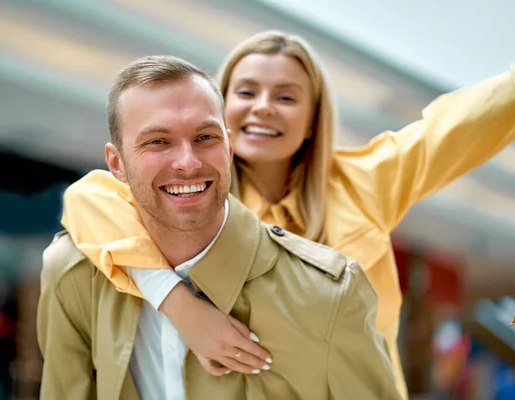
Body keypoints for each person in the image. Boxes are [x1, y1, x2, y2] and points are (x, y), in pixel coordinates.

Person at [59, 31, 515, 398]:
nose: (262, 106)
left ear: (313, 117)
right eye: (246, 91)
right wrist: (180, 306)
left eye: (286, 96)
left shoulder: (366, 182)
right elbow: (89, 200)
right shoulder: (191, 195)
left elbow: (458, 126)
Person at [37, 55, 401, 399]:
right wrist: (169, 296)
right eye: (158, 142)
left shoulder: (330, 295)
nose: (187, 162)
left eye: (205, 137)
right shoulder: (73, 276)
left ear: (229, 148)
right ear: (116, 164)